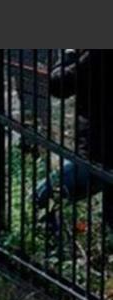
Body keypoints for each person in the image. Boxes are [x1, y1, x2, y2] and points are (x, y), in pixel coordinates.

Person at [34, 50, 113, 227]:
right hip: (99, 149)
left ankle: (52, 251)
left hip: (98, 154)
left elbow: (60, 85)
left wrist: (73, 55)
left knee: (41, 196)